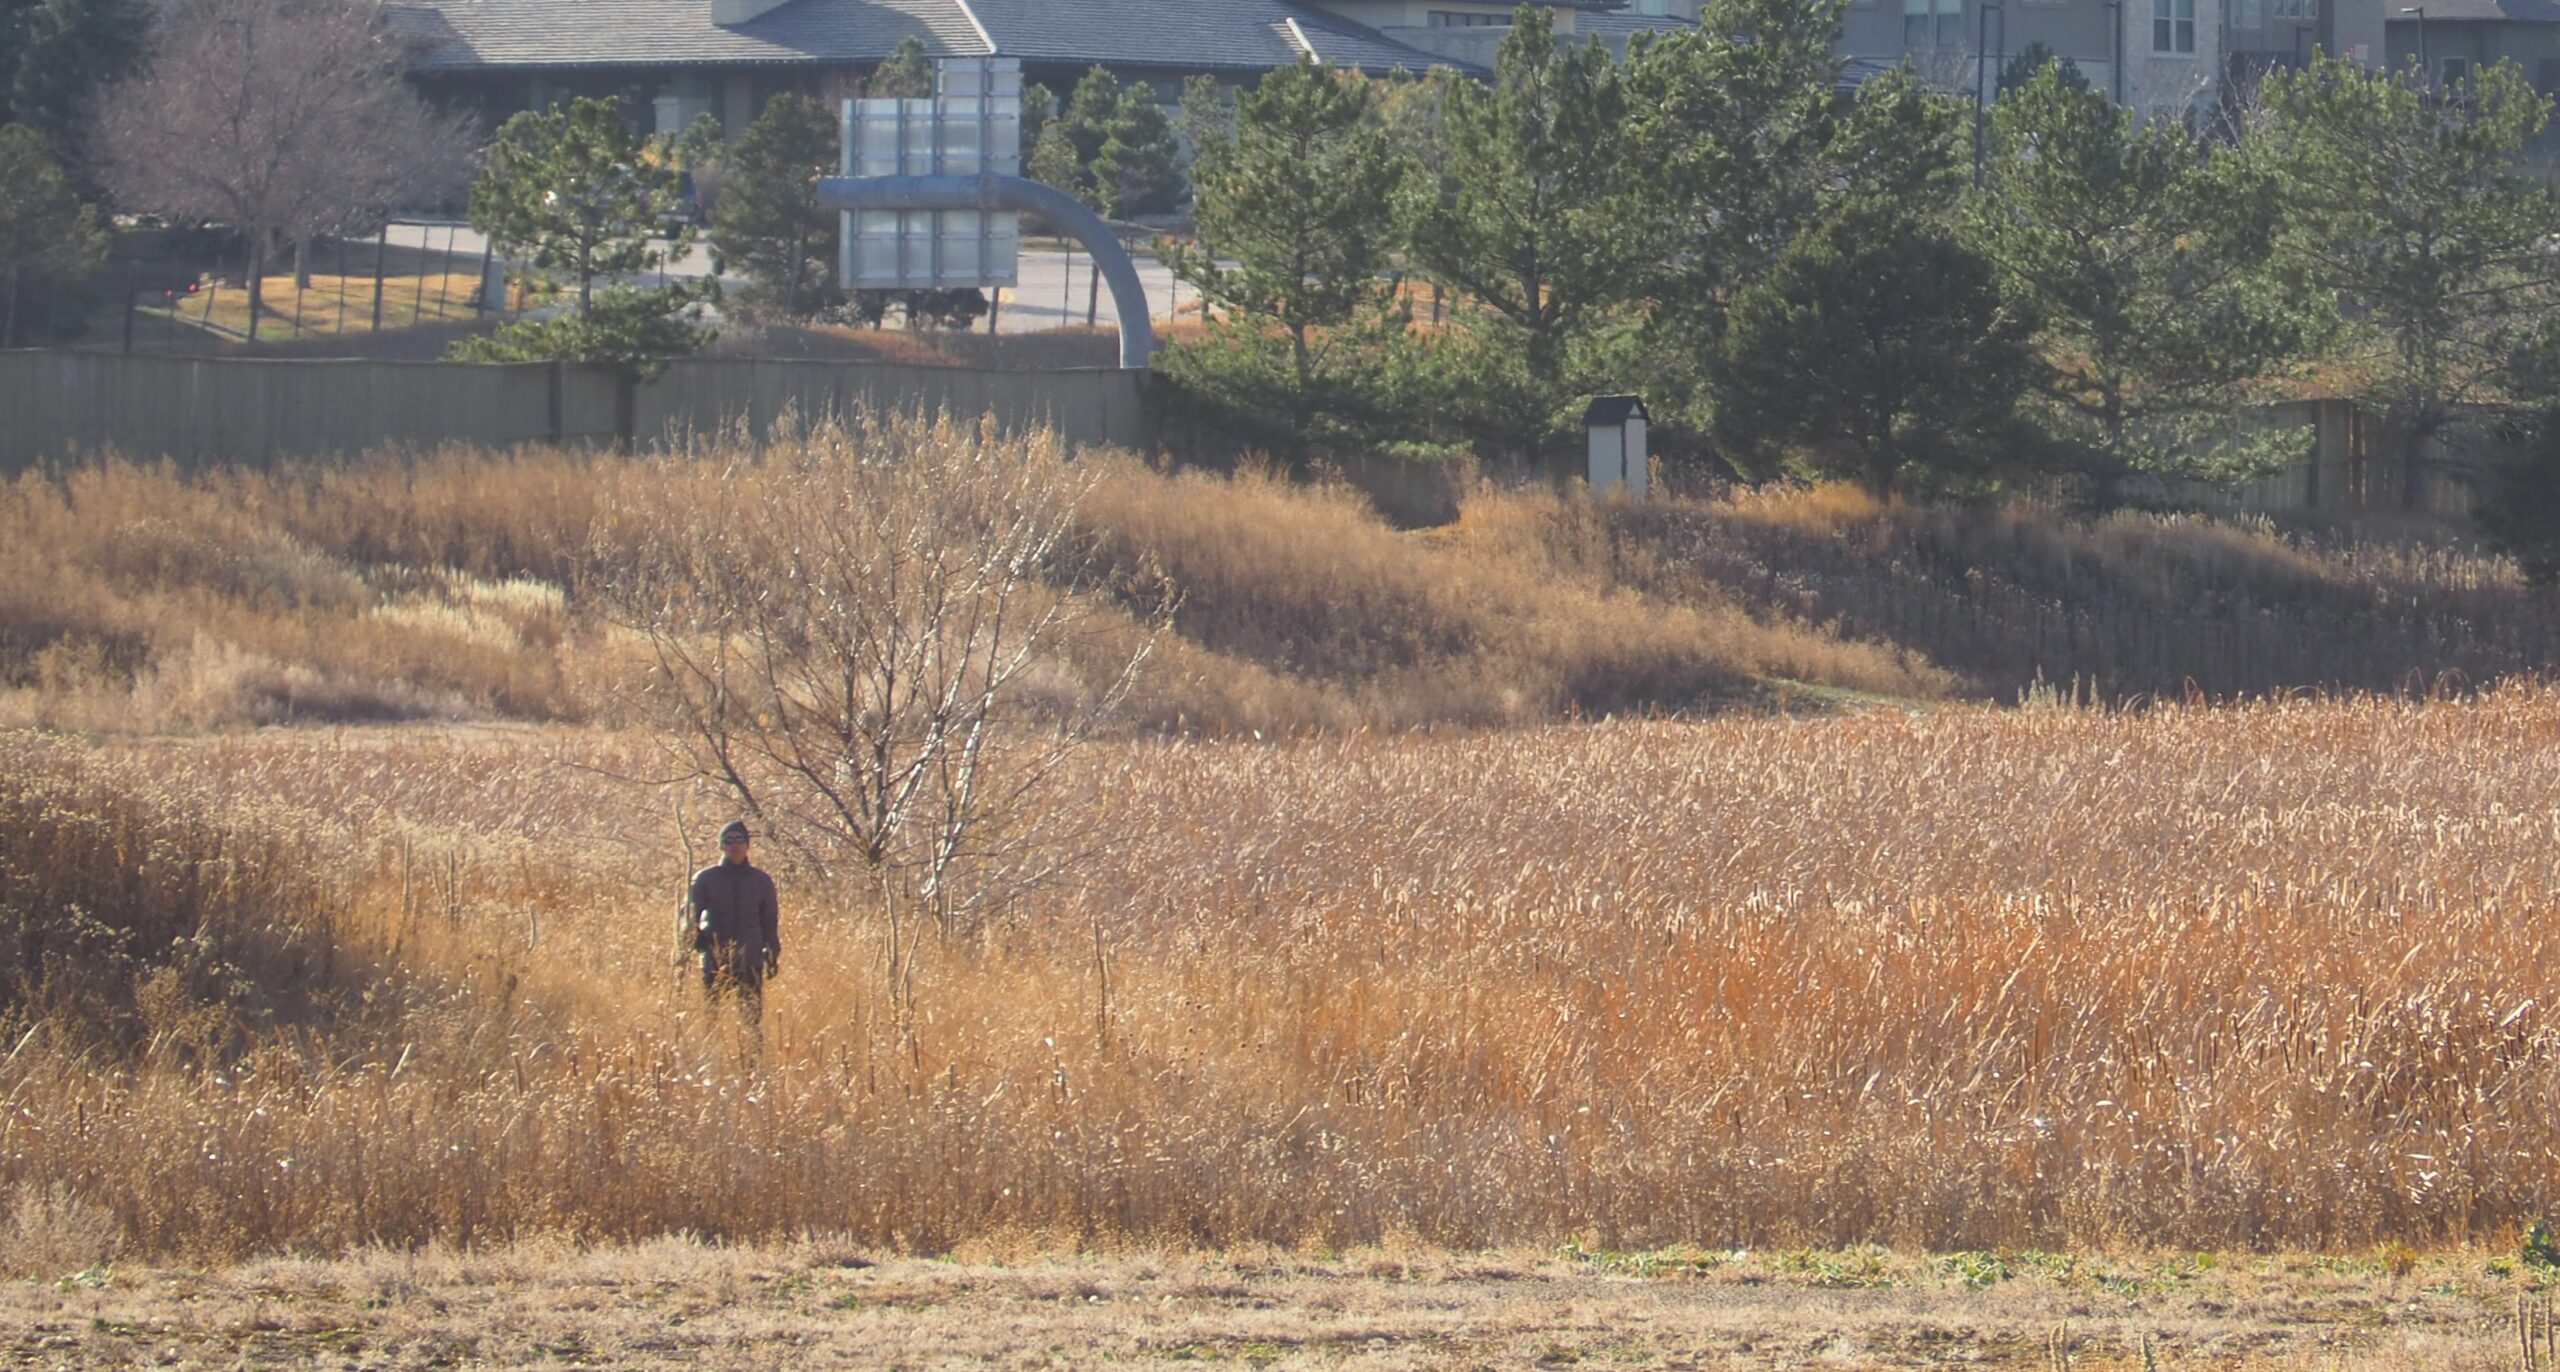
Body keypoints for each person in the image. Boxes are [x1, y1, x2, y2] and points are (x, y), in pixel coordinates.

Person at [692, 819, 780, 1038]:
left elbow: (769, 922)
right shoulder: (705, 879)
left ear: (748, 844)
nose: (734, 845)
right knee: (711, 1019)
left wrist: (772, 954)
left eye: (739, 839)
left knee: (751, 1021)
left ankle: (752, 1068)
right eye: (728, 840)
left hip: (749, 960)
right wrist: (695, 940)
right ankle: (711, 1063)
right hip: (715, 959)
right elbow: (689, 916)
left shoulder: (761, 881)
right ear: (721, 845)